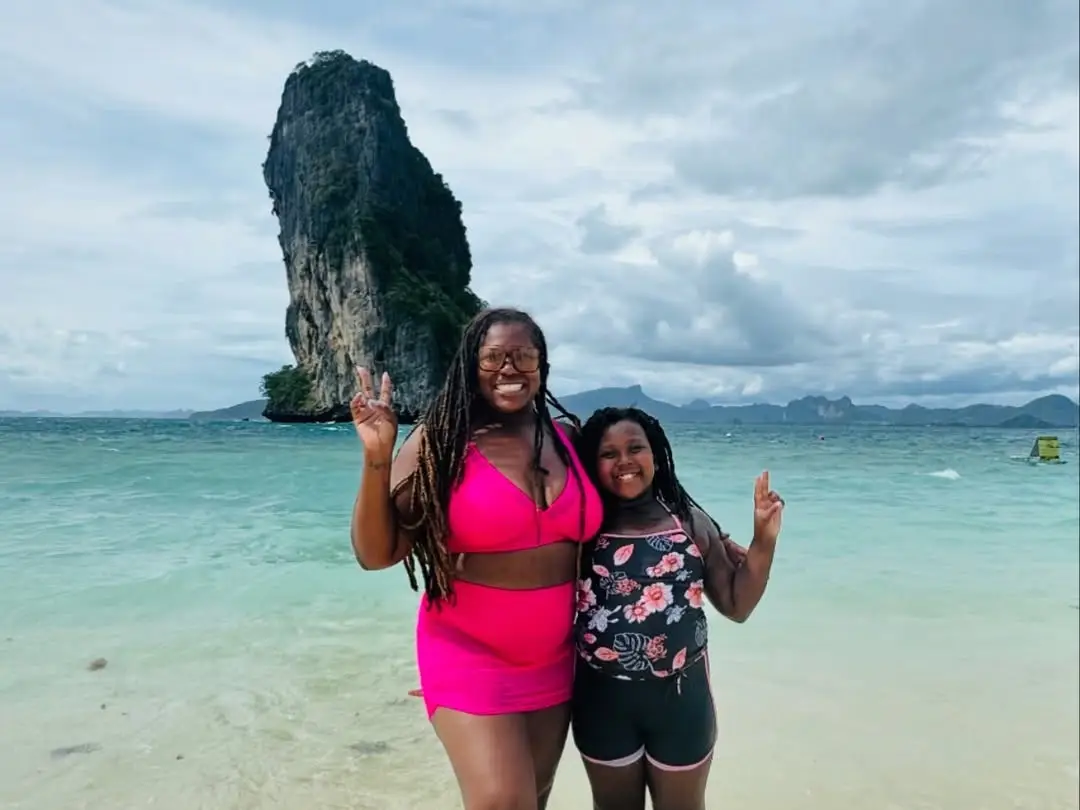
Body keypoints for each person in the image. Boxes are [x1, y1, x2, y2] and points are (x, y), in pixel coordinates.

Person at [348, 308, 603, 810]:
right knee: (503, 802)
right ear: (471, 364)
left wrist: (715, 542)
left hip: (555, 658)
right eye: (493, 357)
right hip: (468, 651)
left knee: (534, 797)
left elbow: (636, 498)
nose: (509, 369)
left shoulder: (570, 441)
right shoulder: (441, 442)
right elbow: (376, 554)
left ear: (542, 365)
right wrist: (378, 457)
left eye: (523, 356)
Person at [570, 407, 784, 810]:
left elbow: (737, 605)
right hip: (601, 700)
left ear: (657, 454)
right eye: (608, 453)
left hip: (682, 703)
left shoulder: (688, 522)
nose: (625, 461)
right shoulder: (582, 528)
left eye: (636, 448)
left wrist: (764, 540)